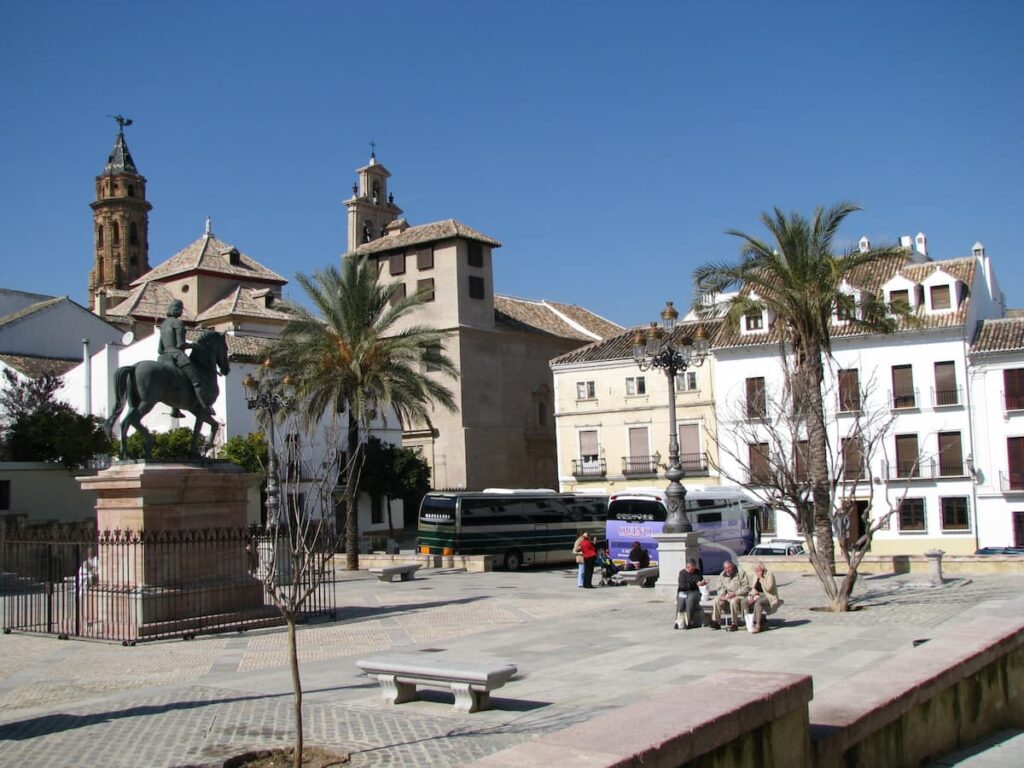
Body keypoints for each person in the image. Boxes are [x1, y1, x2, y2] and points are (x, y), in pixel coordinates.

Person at [157, 299, 211, 417]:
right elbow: (180, 345)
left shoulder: (163, 325)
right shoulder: (178, 323)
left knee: (174, 380)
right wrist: (194, 346)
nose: (181, 312)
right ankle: (205, 405)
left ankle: (175, 410)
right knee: (196, 379)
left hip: (163, 357)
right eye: (181, 309)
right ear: (177, 310)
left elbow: (160, 349)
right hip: (177, 356)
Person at [710, 559, 750, 631]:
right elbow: (719, 586)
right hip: (727, 595)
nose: (727, 570)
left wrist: (735, 593)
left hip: (739, 595)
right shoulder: (722, 574)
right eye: (725, 568)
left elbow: (746, 587)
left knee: (733, 601)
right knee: (716, 600)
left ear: (732, 566)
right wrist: (723, 595)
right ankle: (716, 622)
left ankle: (734, 623)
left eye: (729, 568)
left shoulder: (741, 573)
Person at [745, 561, 780, 633]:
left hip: (769, 596)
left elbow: (769, 588)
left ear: (762, 569)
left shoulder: (769, 574)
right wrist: (752, 596)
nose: (756, 572)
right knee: (744, 601)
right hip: (759, 595)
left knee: (758, 603)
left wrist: (761, 578)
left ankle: (757, 625)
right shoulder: (755, 575)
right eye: (755, 570)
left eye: (758, 570)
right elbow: (754, 588)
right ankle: (748, 622)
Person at [674, 558, 707, 629]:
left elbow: (700, 580)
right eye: (691, 569)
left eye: (694, 568)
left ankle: (689, 621)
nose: (693, 571)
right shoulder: (682, 573)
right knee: (681, 600)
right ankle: (679, 621)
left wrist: (703, 583)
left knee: (690, 600)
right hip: (683, 591)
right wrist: (694, 584)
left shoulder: (697, 572)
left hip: (694, 592)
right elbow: (682, 586)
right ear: (687, 567)